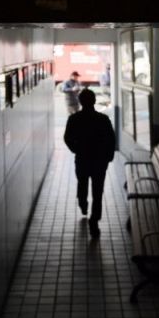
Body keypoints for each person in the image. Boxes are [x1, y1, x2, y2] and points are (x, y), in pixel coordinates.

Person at [63, 88, 116, 237]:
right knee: (98, 191)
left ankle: (83, 203)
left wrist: (76, 149)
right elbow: (111, 140)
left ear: (80, 102)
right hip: (99, 161)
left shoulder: (74, 119)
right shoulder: (103, 119)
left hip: (82, 159)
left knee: (82, 183)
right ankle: (94, 219)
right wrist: (108, 157)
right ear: (94, 101)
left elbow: (67, 138)